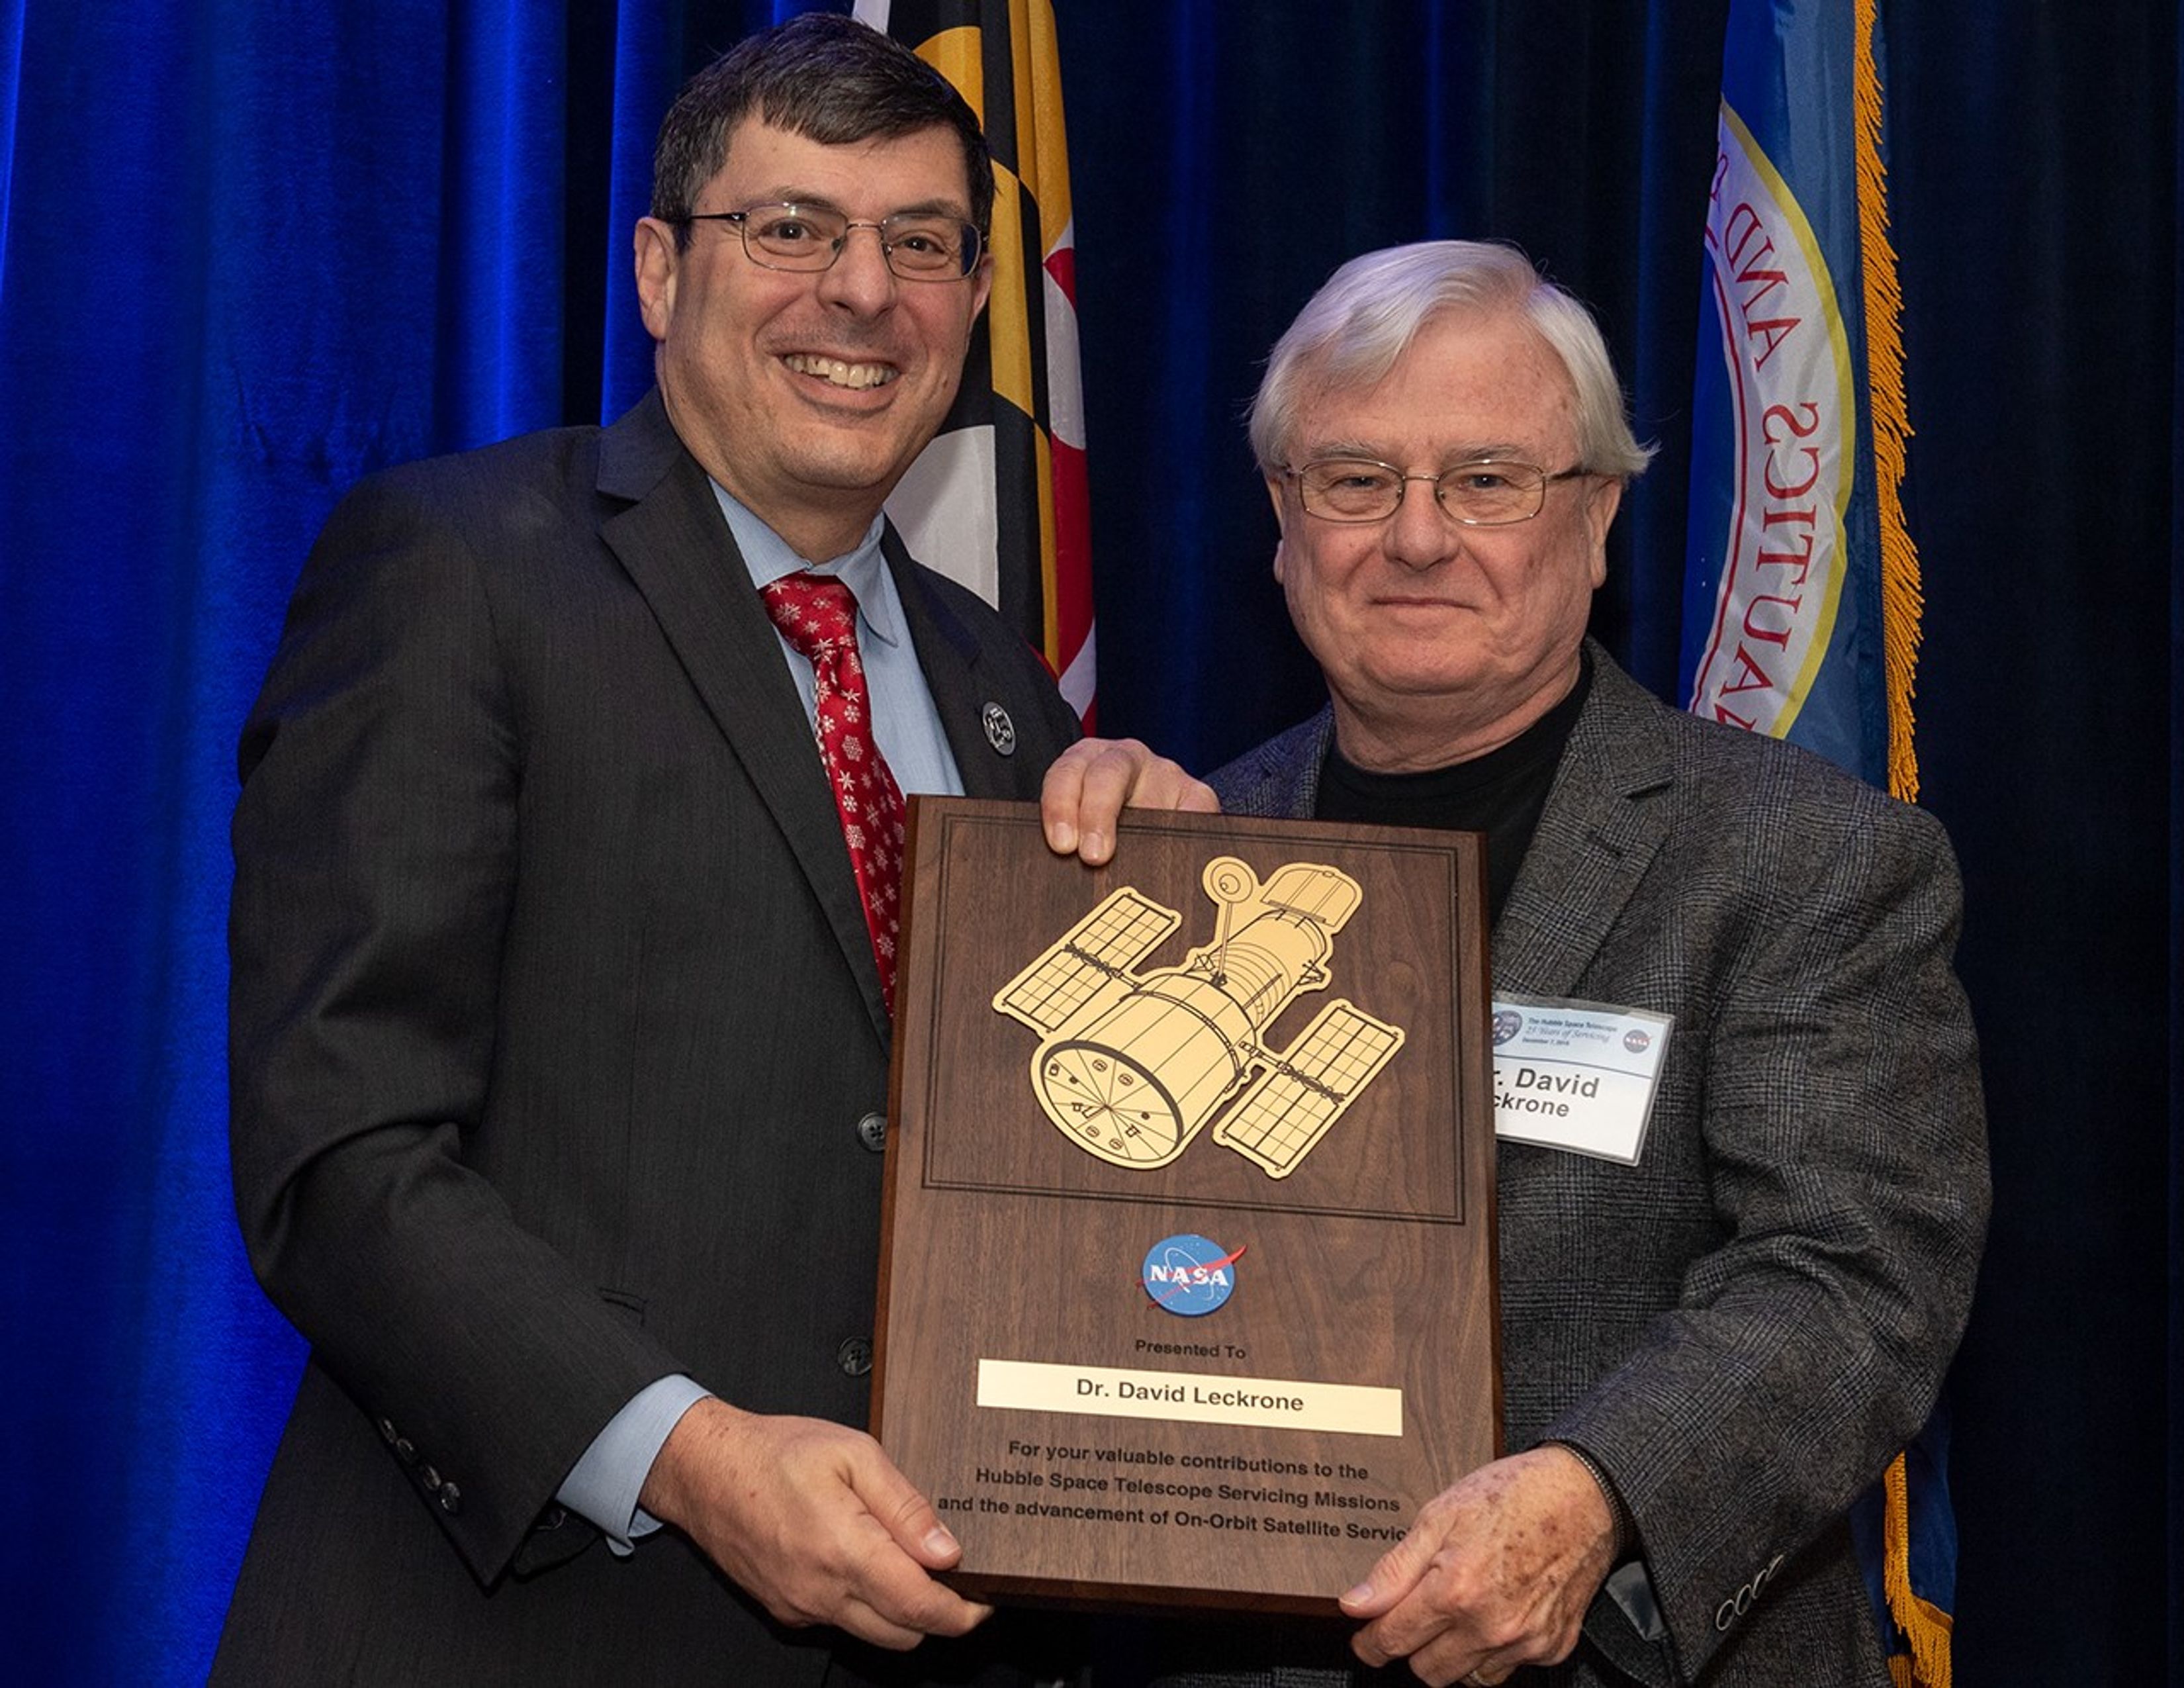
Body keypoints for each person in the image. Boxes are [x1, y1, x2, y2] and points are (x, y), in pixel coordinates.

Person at [214, 15, 1210, 1685]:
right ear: (662, 271)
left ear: (975, 307)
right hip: (510, 1630)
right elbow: (343, 1155)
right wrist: (693, 1458)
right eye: (794, 230)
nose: (862, 291)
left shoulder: (1005, 695)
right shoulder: (460, 572)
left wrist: (1167, 912)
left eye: (921, 244)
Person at [1194, 241, 1988, 1687]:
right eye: (1356, 479)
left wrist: (1592, 1496)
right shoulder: (1181, 848)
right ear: (1283, 518)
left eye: (1489, 480)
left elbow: (1854, 1280)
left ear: (1601, 514)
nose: (1418, 537)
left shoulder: (1802, 859)